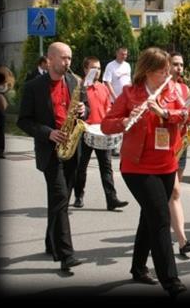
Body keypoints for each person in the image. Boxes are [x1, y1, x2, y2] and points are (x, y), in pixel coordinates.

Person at [101, 47, 187, 298]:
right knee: (160, 216)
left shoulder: (172, 91)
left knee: (148, 216)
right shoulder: (129, 93)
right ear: (148, 72)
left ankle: (138, 267)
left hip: (166, 164)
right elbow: (107, 124)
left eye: (168, 70)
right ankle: (170, 280)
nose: (167, 75)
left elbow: (186, 114)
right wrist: (125, 121)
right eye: (162, 71)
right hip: (137, 167)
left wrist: (165, 113)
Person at [17, 42, 88, 271]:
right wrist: (48, 133)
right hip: (50, 151)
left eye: (70, 58)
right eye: (63, 58)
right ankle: (66, 255)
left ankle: (51, 242)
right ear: (50, 59)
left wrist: (84, 110)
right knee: (59, 198)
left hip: (71, 147)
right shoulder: (33, 87)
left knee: (62, 200)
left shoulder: (75, 82)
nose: (67, 62)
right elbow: (23, 121)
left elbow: (87, 107)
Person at [73, 56, 128, 211]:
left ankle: (111, 199)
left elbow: (107, 108)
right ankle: (78, 195)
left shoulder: (103, 87)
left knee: (106, 166)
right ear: (85, 69)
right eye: (93, 68)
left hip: (101, 131)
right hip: (85, 130)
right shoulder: (80, 87)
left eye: (98, 68)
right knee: (81, 166)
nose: (96, 71)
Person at [168, 52, 190, 256]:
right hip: (166, 145)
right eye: (175, 64)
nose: (179, 68)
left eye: (181, 64)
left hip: (182, 142)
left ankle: (168, 231)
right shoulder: (163, 88)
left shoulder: (184, 88)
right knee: (174, 192)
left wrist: (188, 116)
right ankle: (182, 239)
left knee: (172, 192)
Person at [103, 47, 131, 157]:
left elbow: (128, 81)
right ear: (117, 53)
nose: (124, 56)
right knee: (116, 122)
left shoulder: (127, 66)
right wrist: (114, 96)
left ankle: (122, 145)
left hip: (126, 98)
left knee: (125, 121)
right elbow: (107, 82)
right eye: (122, 54)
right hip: (114, 99)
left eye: (125, 54)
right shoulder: (111, 66)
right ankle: (114, 147)